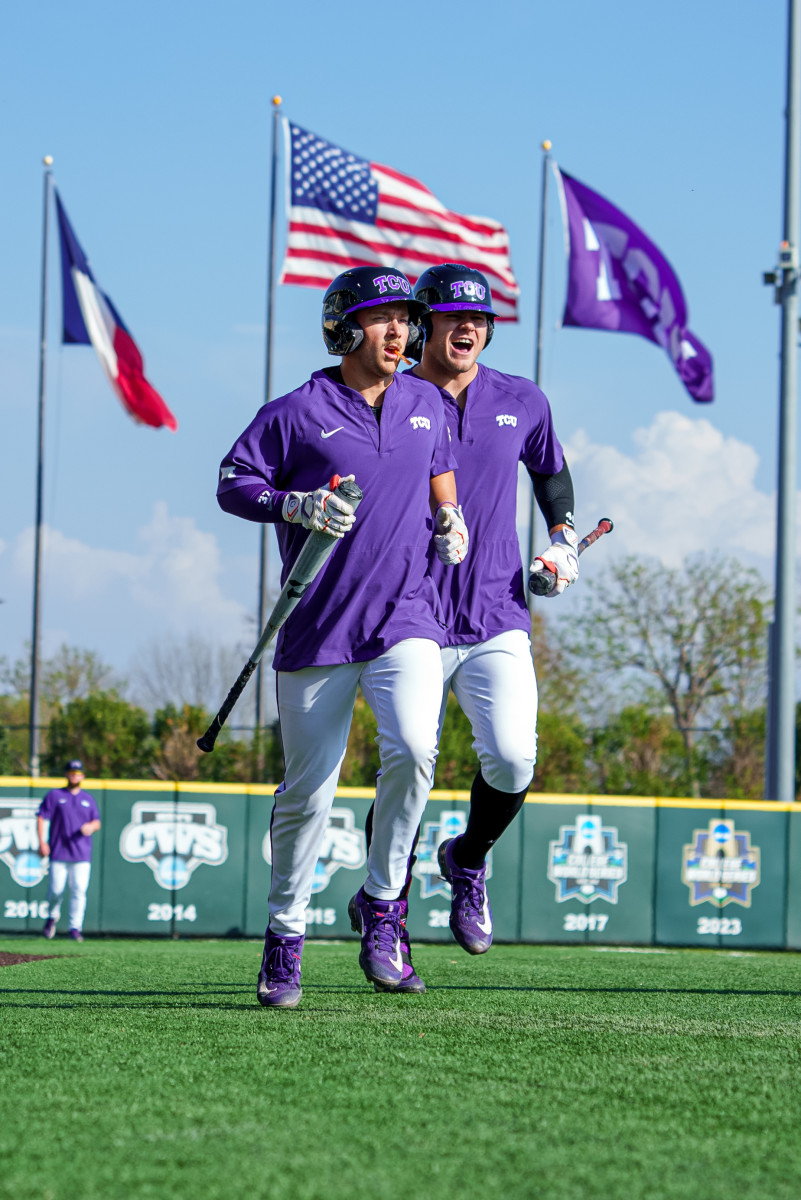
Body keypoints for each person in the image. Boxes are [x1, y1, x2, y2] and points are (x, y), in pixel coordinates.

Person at [216, 266, 469, 1009]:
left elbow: (439, 470)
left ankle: (384, 909)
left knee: (416, 749)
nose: (401, 332)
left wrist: (450, 517)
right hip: (315, 627)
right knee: (307, 796)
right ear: (343, 328)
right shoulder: (295, 411)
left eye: (405, 320)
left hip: (406, 617)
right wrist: (290, 504)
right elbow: (233, 481)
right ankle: (284, 937)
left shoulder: (425, 400)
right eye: (383, 319)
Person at [364, 263, 578, 990]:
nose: (467, 329)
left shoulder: (521, 399)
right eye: (453, 317)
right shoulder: (389, 394)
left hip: (494, 610)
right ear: (422, 323)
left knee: (515, 759)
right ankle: (384, 910)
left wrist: (563, 537)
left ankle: (467, 857)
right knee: (409, 761)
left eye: (479, 320)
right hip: (409, 611)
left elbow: (550, 473)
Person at [38, 760, 101, 943]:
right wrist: (42, 841)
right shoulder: (55, 795)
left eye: (78, 772)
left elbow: (97, 822)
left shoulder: (88, 799)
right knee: (56, 890)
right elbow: (41, 817)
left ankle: (75, 927)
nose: (75, 775)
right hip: (59, 850)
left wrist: (91, 826)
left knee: (79, 890)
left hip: (81, 853)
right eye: (72, 772)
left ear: (83, 776)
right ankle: (52, 916)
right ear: (66, 774)